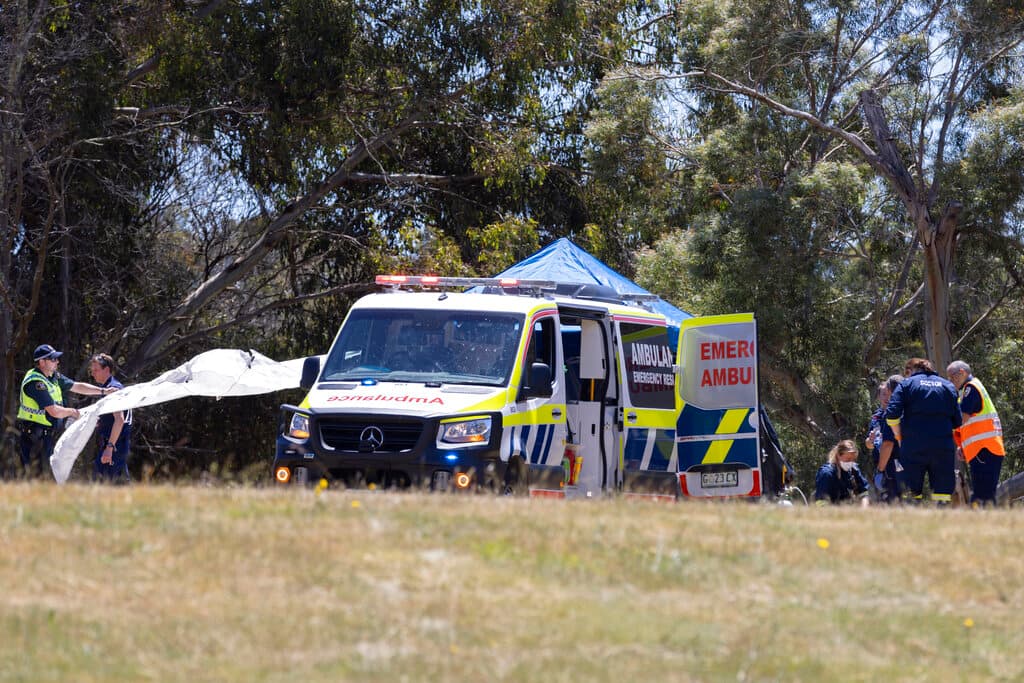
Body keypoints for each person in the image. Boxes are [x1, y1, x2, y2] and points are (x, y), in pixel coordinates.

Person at [17, 344, 116, 477]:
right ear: (41, 362)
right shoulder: (35, 383)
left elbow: (77, 386)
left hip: (45, 436)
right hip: (33, 437)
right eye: (52, 359)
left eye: (56, 358)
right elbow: (54, 411)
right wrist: (72, 412)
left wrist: (103, 391)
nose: (57, 361)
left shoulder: (53, 377)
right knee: (34, 477)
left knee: (44, 477)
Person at [885, 357, 961, 505]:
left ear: (909, 371)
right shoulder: (949, 386)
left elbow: (892, 414)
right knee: (942, 493)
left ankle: (913, 524)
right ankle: (941, 522)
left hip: (913, 445)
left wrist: (898, 436)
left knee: (911, 493)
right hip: (942, 447)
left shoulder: (906, 384)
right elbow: (957, 421)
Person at [947, 360, 1005, 506]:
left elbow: (962, 418)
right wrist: (963, 447)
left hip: (984, 450)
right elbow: (969, 425)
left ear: (962, 372)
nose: (950, 381)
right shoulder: (970, 389)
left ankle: (982, 524)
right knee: (984, 494)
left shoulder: (970, 388)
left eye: (951, 377)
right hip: (984, 450)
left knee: (982, 495)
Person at [89, 353, 132, 483]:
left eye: (96, 370)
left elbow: (119, 420)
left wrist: (109, 447)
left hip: (115, 445)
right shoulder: (106, 388)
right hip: (112, 444)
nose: (93, 374)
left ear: (106, 369)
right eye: (92, 371)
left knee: (108, 484)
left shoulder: (113, 389)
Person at [870, 374, 906, 503]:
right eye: (883, 394)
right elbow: (870, 444)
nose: (886, 397)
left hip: (894, 462)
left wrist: (881, 470)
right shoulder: (876, 417)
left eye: (888, 393)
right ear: (878, 396)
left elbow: (888, 444)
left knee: (896, 497)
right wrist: (869, 441)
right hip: (881, 462)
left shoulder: (895, 413)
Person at [814, 439, 869, 506]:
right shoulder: (827, 474)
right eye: (848, 459)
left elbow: (864, 494)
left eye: (853, 459)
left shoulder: (854, 470)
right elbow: (821, 503)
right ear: (838, 455)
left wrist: (864, 511)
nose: (851, 462)